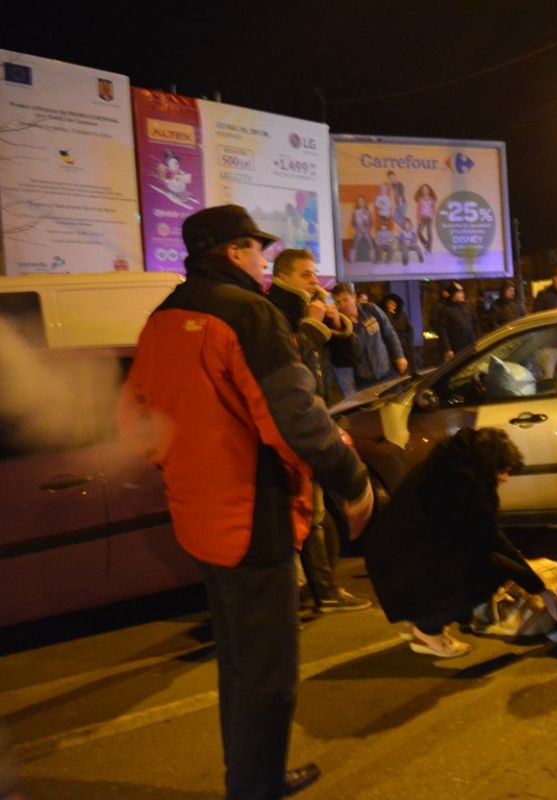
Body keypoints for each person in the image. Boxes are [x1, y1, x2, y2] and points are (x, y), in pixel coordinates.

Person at [119, 205, 375, 799]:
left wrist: (183, 464)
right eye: (259, 250)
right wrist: (352, 480)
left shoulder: (163, 317)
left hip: (197, 514)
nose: (264, 260)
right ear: (234, 252)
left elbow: (134, 420)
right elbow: (294, 418)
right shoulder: (248, 314)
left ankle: (249, 777)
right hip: (251, 516)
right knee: (268, 669)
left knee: (238, 660)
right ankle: (257, 786)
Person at [363, 427, 557, 657]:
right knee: (488, 571)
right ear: (489, 464)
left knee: (481, 563)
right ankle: (427, 631)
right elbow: (491, 539)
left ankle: (424, 618)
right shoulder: (465, 487)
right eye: (503, 471)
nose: (505, 478)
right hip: (403, 565)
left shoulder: (443, 468)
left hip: (394, 557)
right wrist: (541, 590)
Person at [269, 249, 372, 614]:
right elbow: (288, 364)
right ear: (282, 277)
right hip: (293, 427)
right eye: (306, 275)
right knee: (302, 512)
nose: (315, 281)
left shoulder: (304, 309)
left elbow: (346, 355)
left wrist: (337, 323)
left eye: (315, 274)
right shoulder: (274, 312)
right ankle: (309, 592)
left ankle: (320, 590)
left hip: (312, 417)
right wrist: (312, 322)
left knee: (314, 510)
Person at [332, 283, 408, 389]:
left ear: (354, 297)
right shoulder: (340, 325)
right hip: (363, 380)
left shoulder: (371, 309)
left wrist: (399, 356)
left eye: (345, 300)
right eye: (338, 302)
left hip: (386, 371)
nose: (342, 305)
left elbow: (389, 332)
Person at [435, 281, 477, 362]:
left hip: (470, 345)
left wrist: (477, 340)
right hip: (456, 348)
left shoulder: (468, 308)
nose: (463, 294)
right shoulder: (446, 310)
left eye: (463, 292)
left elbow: (475, 325)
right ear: (453, 295)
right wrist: (447, 348)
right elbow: (442, 331)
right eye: (459, 292)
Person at [381, 293, 416, 376]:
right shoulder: (383, 315)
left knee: (410, 369)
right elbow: (388, 330)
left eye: (394, 303)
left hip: (405, 345)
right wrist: (389, 314)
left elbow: (410, 329)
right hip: (391, 348)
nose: (392, 305)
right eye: (390, 303)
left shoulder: (402, 315)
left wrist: (409, 342)